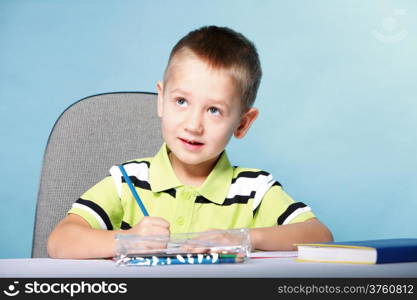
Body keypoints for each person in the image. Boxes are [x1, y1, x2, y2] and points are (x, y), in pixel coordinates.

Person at [47, 25, 333, 259]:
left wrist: (244, 237)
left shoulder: (254, 190)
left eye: (214, 110)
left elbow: (320, 235)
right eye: (181, 101)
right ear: (161, 100)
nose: (194, 125)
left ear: (243, 123)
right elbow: (60, 242)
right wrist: (126, 240)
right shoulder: (127, 181)